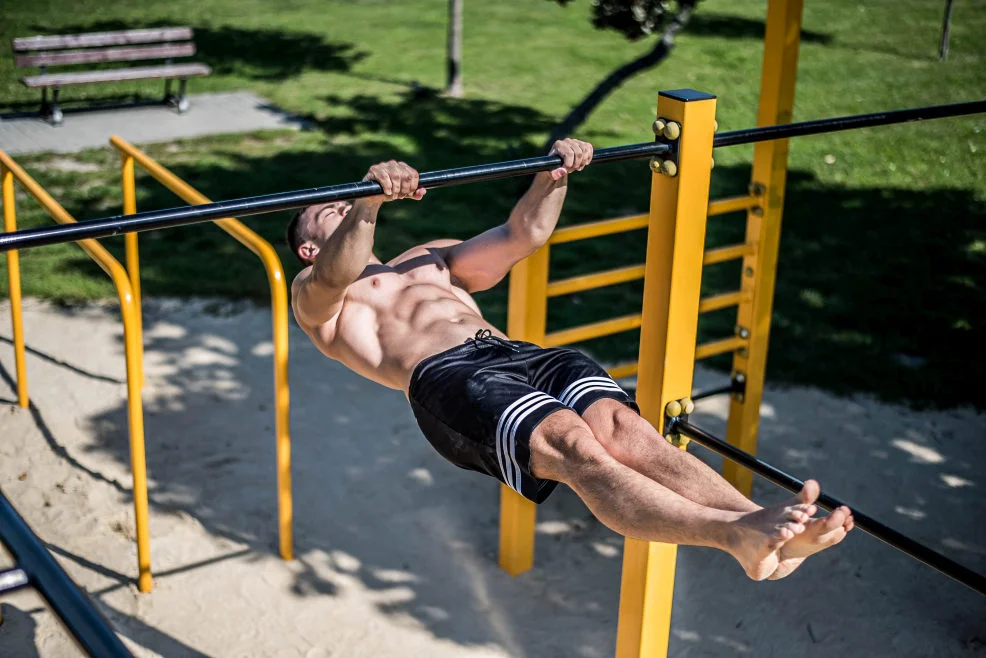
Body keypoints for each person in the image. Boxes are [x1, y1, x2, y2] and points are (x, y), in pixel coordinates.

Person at [286, 139, 854, 581]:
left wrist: (553, 175)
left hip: (515, 353)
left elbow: (520, 233)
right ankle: (731, 534)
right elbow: (339, 269)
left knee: (627, 430)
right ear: (308, 246)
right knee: (578, 450)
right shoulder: (316, 294)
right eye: (323, 210)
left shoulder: (426, 257)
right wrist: (365, 206)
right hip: (450, 379)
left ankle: (761, 527)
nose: (337, 202)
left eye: (342, 200)